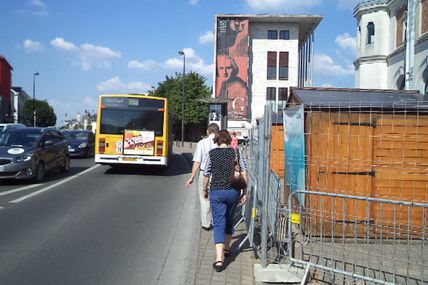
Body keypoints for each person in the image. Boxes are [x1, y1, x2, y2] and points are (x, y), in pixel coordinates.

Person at [202, 130, 248, 272]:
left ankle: (219, 259)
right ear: (228, 140)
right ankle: (227, 249)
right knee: (229, 219)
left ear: (216, 140)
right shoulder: (236, 153)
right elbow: (244, 173)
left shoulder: (211, 154)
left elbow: (206, 174)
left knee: (219, 223)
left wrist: (205, 189)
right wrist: (244, 192)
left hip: (216, 192)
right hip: (233, 192)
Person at [186, 123, 219, 230]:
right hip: (217, 174)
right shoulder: (220, 143)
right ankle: (217, 220)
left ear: (207, 131)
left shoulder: (202, 143)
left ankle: (206, 223)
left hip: (204, 173)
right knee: (215, 197)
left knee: (204, 197)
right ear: (217, 132)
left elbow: (197, 162)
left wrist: (192, 177)